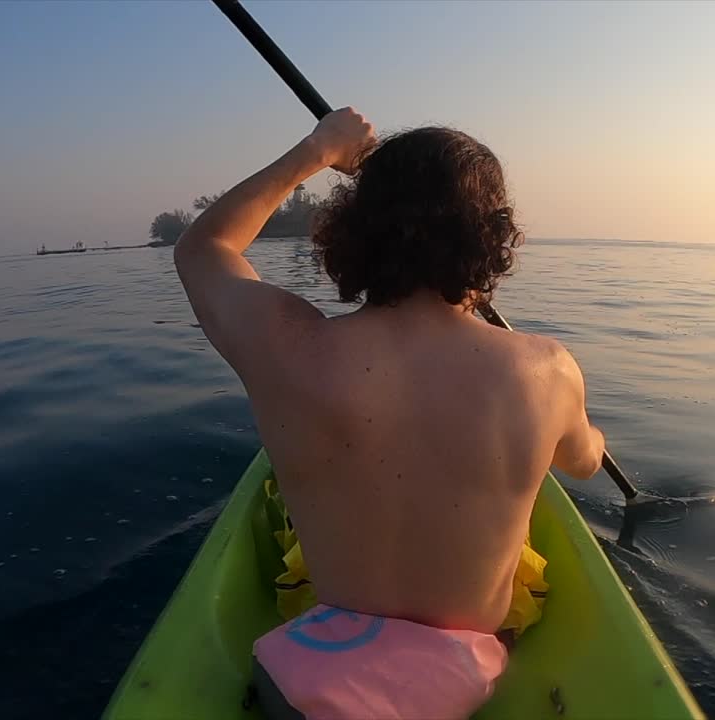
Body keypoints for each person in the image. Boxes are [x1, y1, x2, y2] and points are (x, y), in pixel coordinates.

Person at [174, 108, 606, 719]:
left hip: (318, 657)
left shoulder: (289, 348)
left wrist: (318, 150)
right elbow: (585, 463)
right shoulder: (550, 370)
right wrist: (586, 432)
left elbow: (203, 246)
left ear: (351, 230)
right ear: (493, 237)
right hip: (466, 669)